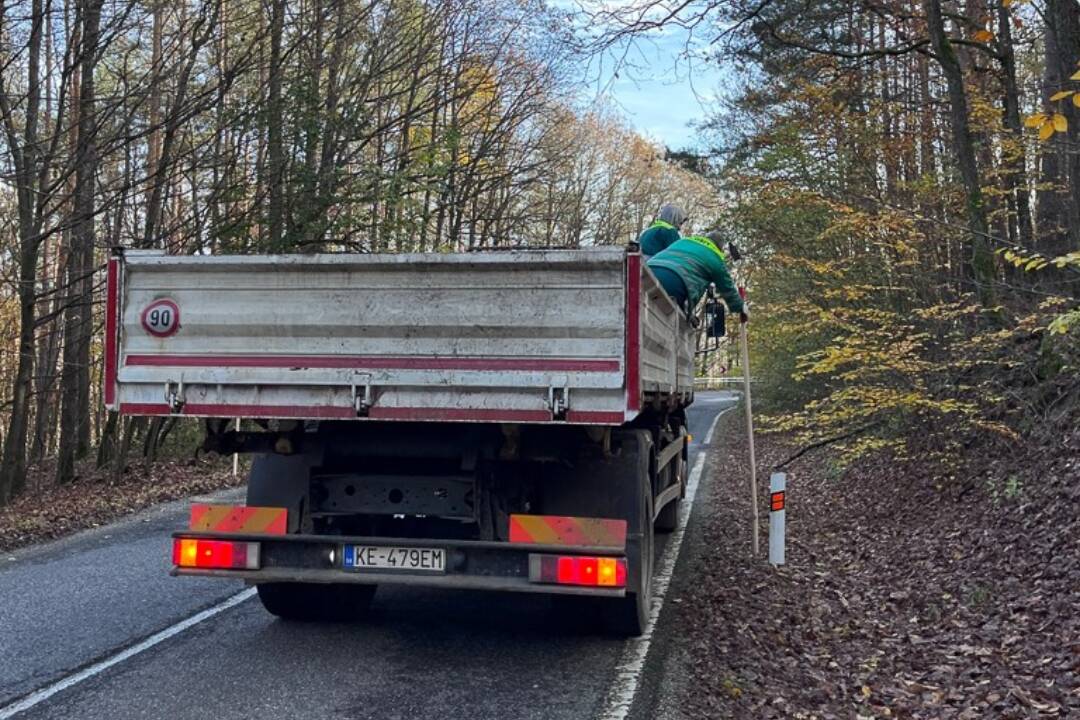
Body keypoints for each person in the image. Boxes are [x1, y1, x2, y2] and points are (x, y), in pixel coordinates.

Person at [647, 230, 748, 322]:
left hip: (647, 271)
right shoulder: (715, 258)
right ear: (719, 247)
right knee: (672, 319)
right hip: (675, 281)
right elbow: (728, 289)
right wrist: (741, 307)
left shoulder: (684, 241)